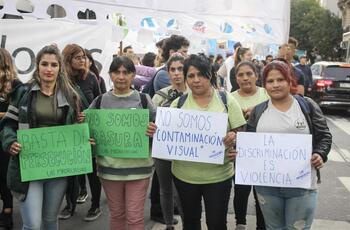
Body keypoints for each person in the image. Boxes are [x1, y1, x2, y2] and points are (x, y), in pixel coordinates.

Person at [147, 54, 246, 230]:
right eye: (191, 76)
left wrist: (234, 137)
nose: (196, 80)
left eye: (201, 74)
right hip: (184, 177)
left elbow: (241, 133)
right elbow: (165, 134)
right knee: (191, 223)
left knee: (216, 224)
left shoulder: (226, 100)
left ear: (210, 75)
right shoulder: (178, 104)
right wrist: (155, 131)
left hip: (219, 177)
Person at [0, 45, 82, 230]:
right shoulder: (23, 93)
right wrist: (10, 142)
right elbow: (8, 124)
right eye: (44, 64)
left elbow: (78, 127)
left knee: (50, 220)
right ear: (37, 66)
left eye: (54, 64)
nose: (49, 69)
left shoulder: (70, 96)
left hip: (59, 167)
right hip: (28, 167)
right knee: (33, 224)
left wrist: (83, 135)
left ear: (60, 68)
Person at [247, 61, 332, 230]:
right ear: (264, 85)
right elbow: (248, 144)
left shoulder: (306, 106)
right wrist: (238, 151)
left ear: (290, 81)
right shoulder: (257, 112)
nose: (276, 85)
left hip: (301, 186)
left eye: (280, 79)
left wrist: (320, 154)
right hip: (267, 187)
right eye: (270, 81)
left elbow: (324, 137)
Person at [89, 56, 156, 230]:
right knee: (117, 216)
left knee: (134, 219)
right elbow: (87, 130)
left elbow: (160, 129)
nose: (121, 76)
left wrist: (152, 131)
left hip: (139, 171)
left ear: (133, 75)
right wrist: (87, 134)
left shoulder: (143, 100)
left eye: (126, 72)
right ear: (110, 75)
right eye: (117, 72)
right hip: (110, 171)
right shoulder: (99, 101)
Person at [60, 44, 102, 221]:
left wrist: (90, 117)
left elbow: (100, 103)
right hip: (70, 132)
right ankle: (70, 205)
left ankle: (95, 205)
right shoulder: (61, 80)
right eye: (78, 57)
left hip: (89, 132)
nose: (83, 60)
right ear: (68, 59)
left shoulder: (91, 77)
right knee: (72, 172)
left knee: (93, 171)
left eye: (84, 57)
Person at [151, 54, 189, 230]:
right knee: (165, 190)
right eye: (172, 69)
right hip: (164, 151)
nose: (176, 73)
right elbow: (150, 121)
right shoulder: (159, 96)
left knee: (185, 192)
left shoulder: (195, 94)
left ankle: (188, 223)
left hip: (188, 151)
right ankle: (168, 224)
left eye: (180, 69)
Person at [231, 61, 269, 230]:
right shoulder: (230, 98)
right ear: (235, 78)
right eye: (240, 75)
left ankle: (262, 225)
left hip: (265, 153)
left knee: (261, 194)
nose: (245, 78)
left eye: (249, 74)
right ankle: (240, 223)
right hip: (240, 154)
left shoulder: (267, 94)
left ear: (256, 76)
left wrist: (258, 110)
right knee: (240, 190)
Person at [0, 48, 22, 230]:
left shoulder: (15, 84)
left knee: (4, 174)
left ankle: (8, 211)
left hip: (6, 137)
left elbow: (18, 113)